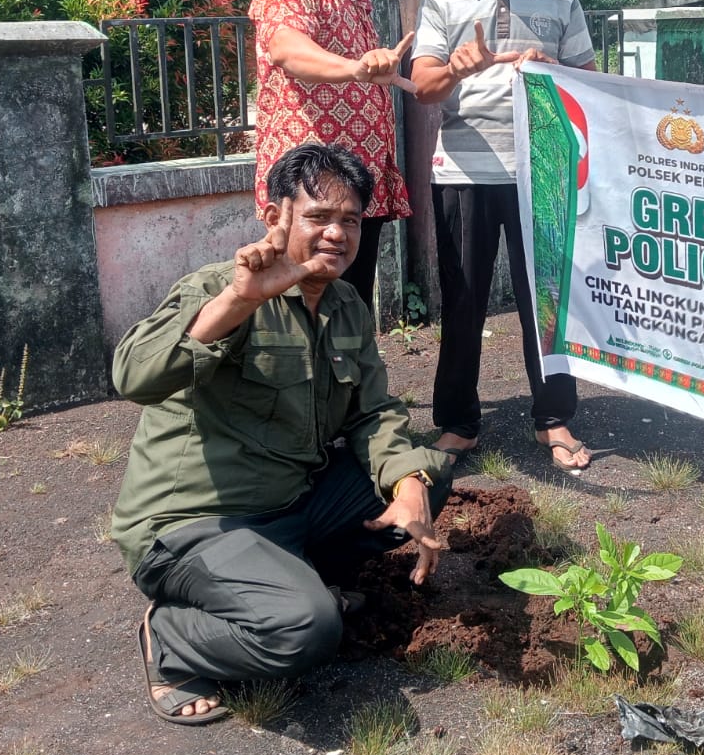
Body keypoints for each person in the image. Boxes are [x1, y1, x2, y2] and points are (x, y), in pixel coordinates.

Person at [111, 144, 451, 724]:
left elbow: (373, 413)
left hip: (292, 506)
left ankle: (296, 580)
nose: (338, 234)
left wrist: (409, 481)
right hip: (196, 525)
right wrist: (239, 301)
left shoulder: (345, 305)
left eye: (350, 220)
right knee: (306, 630)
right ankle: (171, 635)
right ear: (275, 217)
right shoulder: (220, 288)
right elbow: (134, 375)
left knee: (429, 473)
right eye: (319, 217)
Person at [410, 0, 597, 471]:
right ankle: (459, 422)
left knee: (545, 298)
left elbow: (589, 86)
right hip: (463, 170)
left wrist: (555, 70)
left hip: (539, 170)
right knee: (461, 301)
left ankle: (554, 418)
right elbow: (424, 87)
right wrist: (462, 67)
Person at [249, 0, 414, 307]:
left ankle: (347, 378)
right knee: (303, 308)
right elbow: (287, 48)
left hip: (355, 190)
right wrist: (356, 68)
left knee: (346, 308)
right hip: (312, 193)